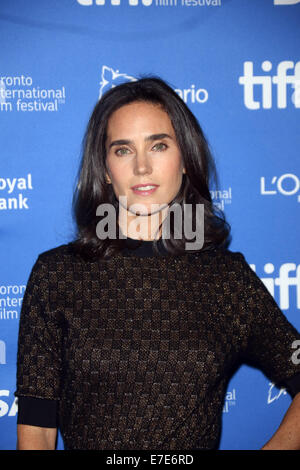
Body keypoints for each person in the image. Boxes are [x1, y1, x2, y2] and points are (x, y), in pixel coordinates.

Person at [15, 76, 300, 450]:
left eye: (159, 145)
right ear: (103, 168)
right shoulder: (57, 275)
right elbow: (36, 427)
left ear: (185, 159)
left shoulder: (225, 278)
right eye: (123, 150)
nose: (143, 167)